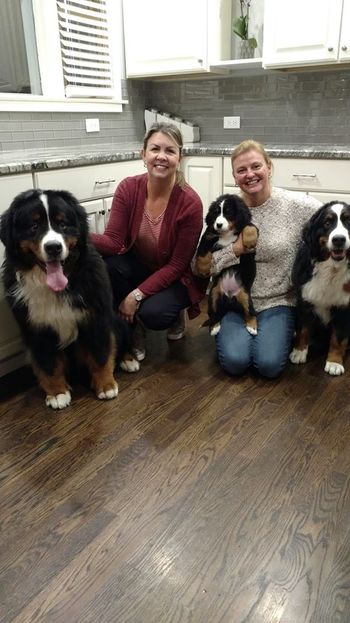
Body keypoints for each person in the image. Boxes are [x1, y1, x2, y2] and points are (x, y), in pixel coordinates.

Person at [199, 139, 322, 379]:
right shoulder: (224, 210)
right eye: (241, 170)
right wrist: (234, 250)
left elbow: (335, 217)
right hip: (234, 300)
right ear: (234, 177)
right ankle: (234, 334)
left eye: (256, 166)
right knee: (235, 362)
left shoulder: (296, 205)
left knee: (268, 365)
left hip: (278, 300)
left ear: (269, 167)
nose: (250, 175)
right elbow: (204, 268)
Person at [90, 122, 207, 361]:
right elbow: (113, 242)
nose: (161, 157)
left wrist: (135, 296)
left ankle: (172, 314)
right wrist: (74, 235)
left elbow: (176, 266)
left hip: (176, 276)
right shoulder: (128, 188)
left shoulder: (190, 203)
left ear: (180, 157)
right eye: (155, 149)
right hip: (141, 265)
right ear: (143, 154)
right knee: (110, 266)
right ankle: (133, 330)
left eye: (170, 151)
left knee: (156, 314)